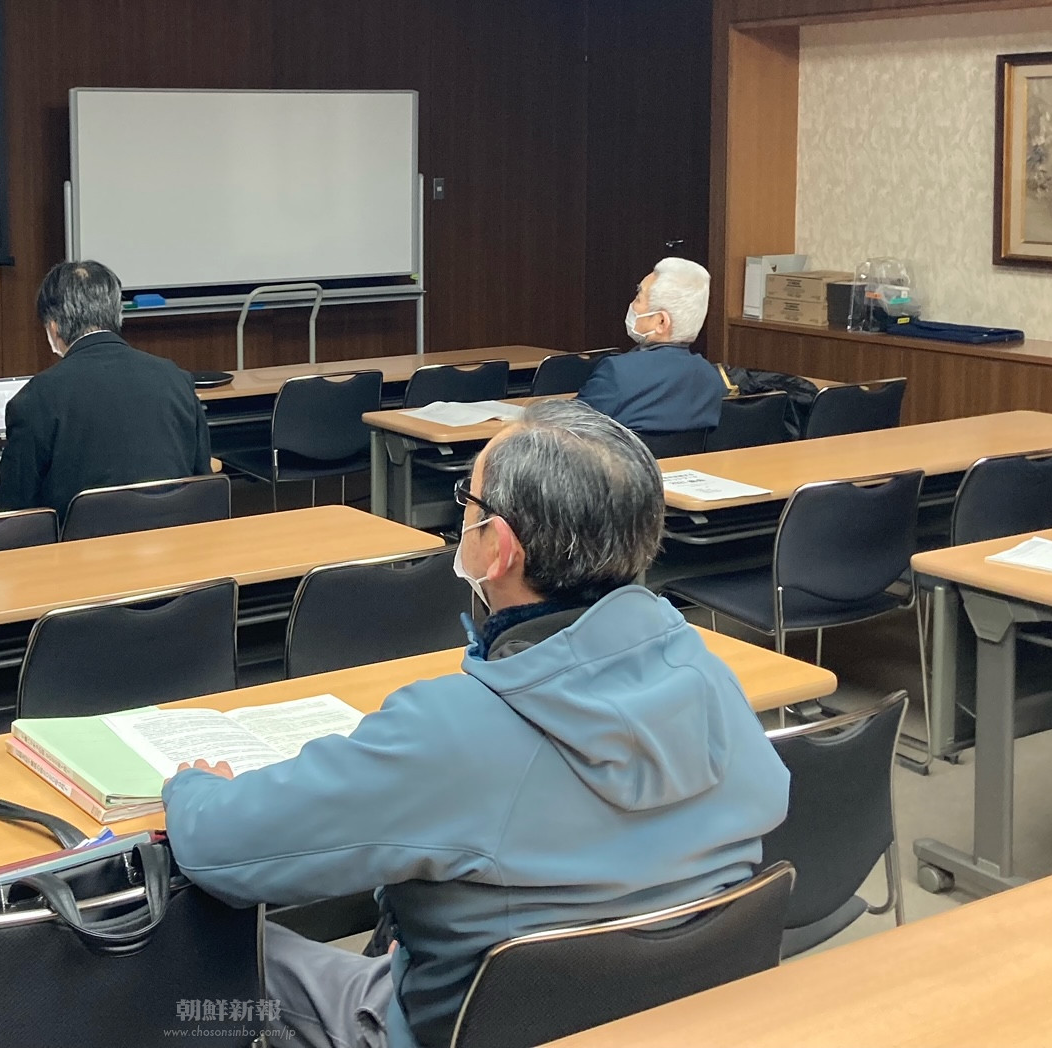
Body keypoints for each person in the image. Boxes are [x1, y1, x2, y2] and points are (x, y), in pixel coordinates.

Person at [163, 401, 789, 1048]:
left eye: (470, 501)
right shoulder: (708, 672)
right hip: (672, 1019)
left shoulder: (450, 729)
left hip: (449, 1029)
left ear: (499, 549)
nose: (463, 516)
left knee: (201, 944)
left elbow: (220, 851)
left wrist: (191, 792)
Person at [0, 261, 213, 516]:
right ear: (117, 316)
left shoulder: (38, 395)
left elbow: (12, 508)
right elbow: (201, 479)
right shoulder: (176, 378)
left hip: (76, 550)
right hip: (173, 540)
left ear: (53, 328)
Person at [575, 257, 725, 438]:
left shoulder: (618, 372)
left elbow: (566, 430)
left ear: (661, 321)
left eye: (638, 298)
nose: (632, 305)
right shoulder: (711, 379)